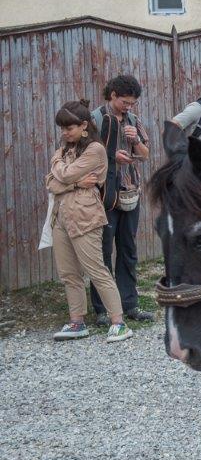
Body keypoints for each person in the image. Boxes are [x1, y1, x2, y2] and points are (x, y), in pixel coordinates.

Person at [49, 100, 133, 343]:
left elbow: (62, 174)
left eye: (69, 128)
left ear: (84, 125)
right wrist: (72, 181)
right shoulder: (65, 150)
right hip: (61, 216)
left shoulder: (95, 149)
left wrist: (58, 166)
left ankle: (118, 322)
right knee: (68, 274)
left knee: (96, 269)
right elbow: (50, 183)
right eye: (62, 129)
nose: (64, 133)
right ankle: (77, 322)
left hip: (85, 216)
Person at [90, 75, 152, 326]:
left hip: (130, 193)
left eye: (132, 103)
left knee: (128, 250)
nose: (128, 107)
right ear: (112, 94)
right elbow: (84, 155)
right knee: (102, 252)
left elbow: (145, 155)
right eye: (125, 102)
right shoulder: (94, 119)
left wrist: (135, 140)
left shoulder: (134, 120)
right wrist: (111, 156)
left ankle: (130, 305)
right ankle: (102, 308)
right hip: (103, 195)